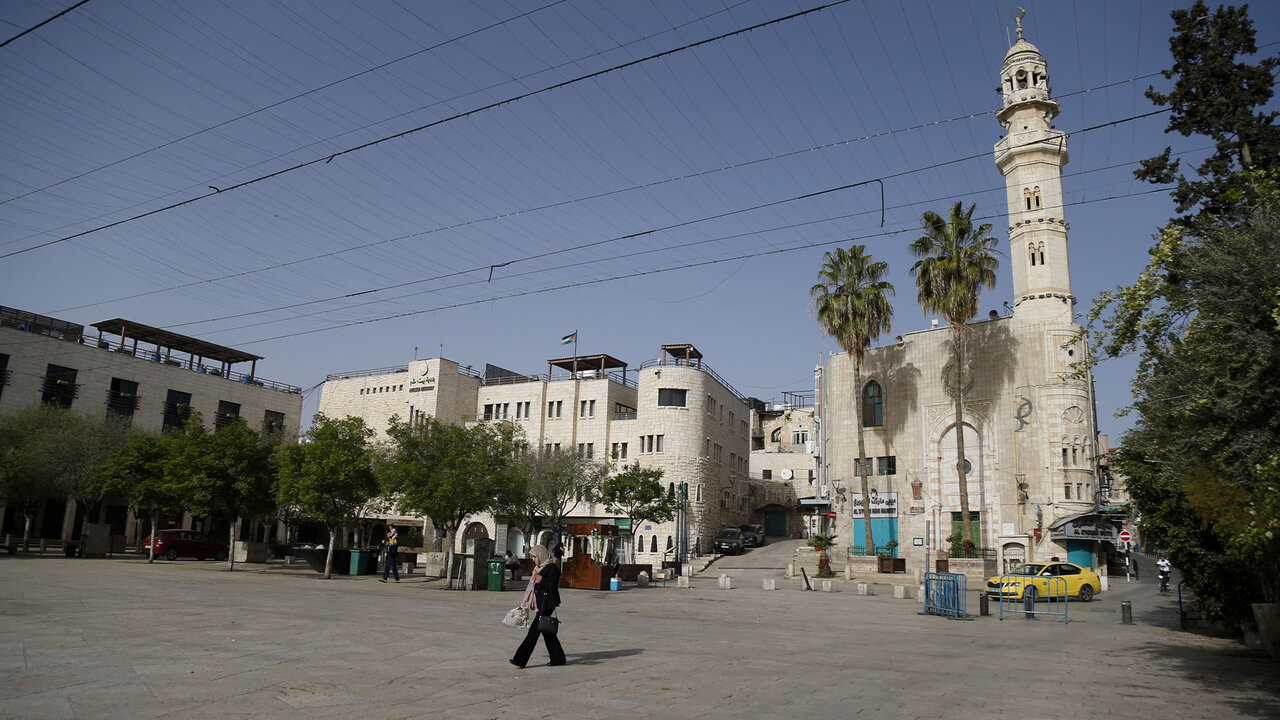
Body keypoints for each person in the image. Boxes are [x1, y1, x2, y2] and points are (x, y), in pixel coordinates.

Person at [509, 545, 566, 668]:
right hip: (541, 604)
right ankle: (558, 658)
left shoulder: (552, 568)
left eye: (535, 556)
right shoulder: (540, 567)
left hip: (547, 604)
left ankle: (520, 659)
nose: (533, 559)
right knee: (547, 632)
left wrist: (537, 577)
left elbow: (551, 586)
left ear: (541, 555)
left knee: (533, 633)